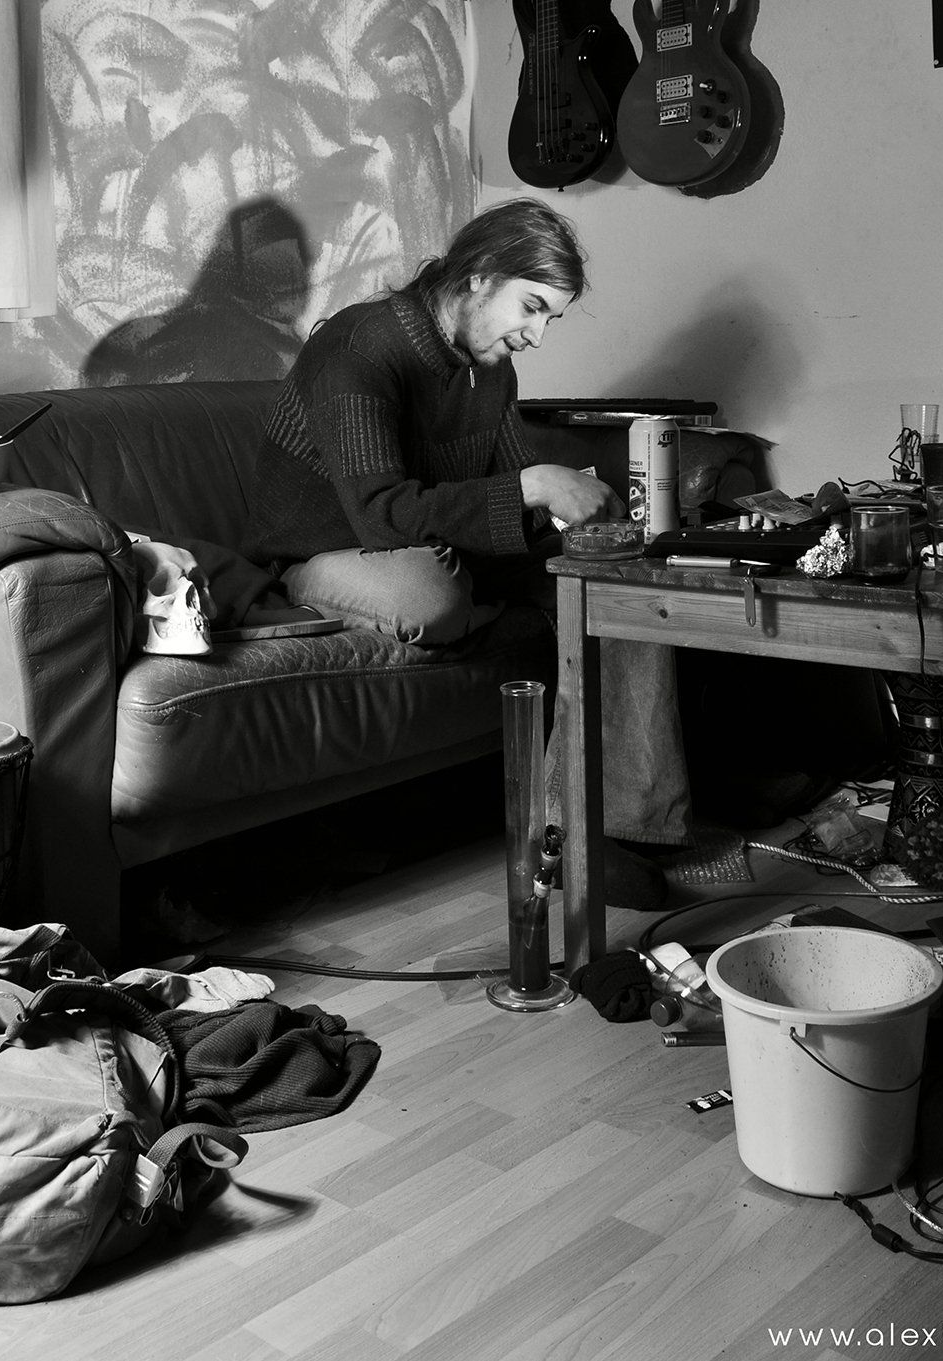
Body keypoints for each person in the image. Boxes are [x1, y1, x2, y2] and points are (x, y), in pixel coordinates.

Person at [242, 198, 690, 905]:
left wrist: (585, 534)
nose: (536, 335)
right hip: (321, 554)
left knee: (612, 578)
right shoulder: (360, 347)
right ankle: (476, 600)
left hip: (438, 546)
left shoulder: (493, 369)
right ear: (478, 275)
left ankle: (594, 828)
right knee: (432, 593)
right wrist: (535, 485)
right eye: (532, 307)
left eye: (550, 319)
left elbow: (518, 502)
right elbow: (382, 513)